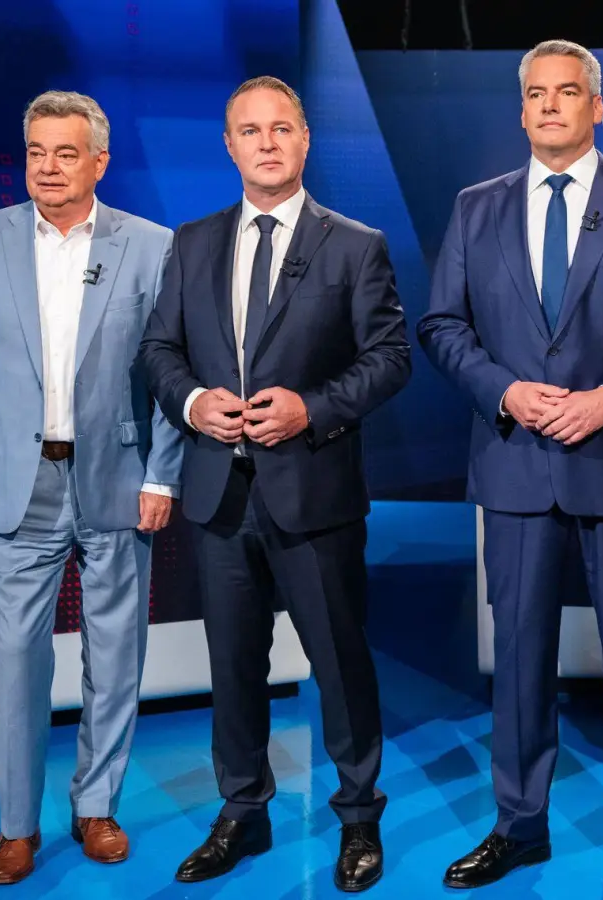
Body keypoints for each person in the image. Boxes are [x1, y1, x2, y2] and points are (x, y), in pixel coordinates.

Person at [417, 38, 603, 900]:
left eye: (568, 92)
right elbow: (442, 326)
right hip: (513, 461)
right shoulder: (477, 207)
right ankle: (518, 825)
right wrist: (506, 391)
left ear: (597, 106)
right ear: (521, 110)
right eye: (536, 94)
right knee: (517, 657)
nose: (551, 106)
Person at [137, 75, 410, 890]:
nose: (266, 142)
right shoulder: (191, 243)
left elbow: (390, 360)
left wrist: (310, 409)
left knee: (339, 663)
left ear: (304, 140)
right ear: (229, 145)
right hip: (219, 493)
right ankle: (243, 811)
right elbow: (159, 351)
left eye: (280, 128)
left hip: (315, 493)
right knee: (233, 666)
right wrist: (191, 401)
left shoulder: (355, 244)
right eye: (249, 130)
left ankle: (359, 818)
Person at [0, 90, 180, 885]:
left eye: (65, 153)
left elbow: (169, 373)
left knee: (115, 651)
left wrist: (163, 471)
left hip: (118, 476)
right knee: (18, 654)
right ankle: (16, 826)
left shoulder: (151, 245)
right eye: (36, 152)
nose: (48, 168)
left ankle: (97, 808)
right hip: (11, 482)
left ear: (99, 161)